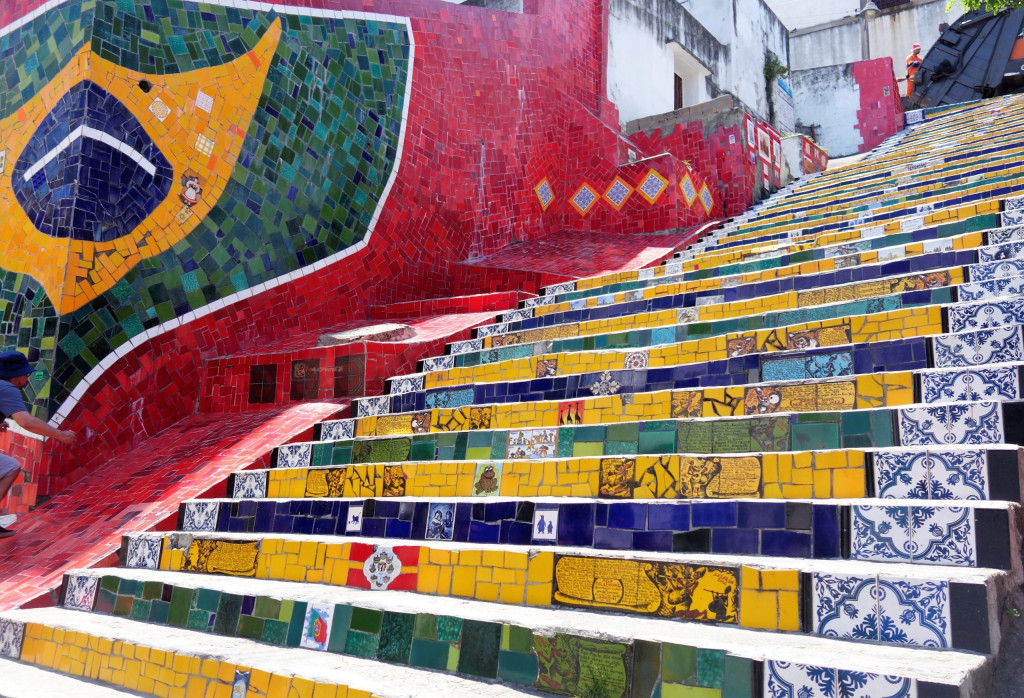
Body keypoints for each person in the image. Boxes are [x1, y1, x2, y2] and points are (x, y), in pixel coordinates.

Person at [0, 351, 77, 538]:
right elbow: (25, 421)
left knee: (9, 467)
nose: (27, 378)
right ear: (16, 375)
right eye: (26, 374)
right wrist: (60, 435)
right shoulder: (7, 388)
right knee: (10, 468)